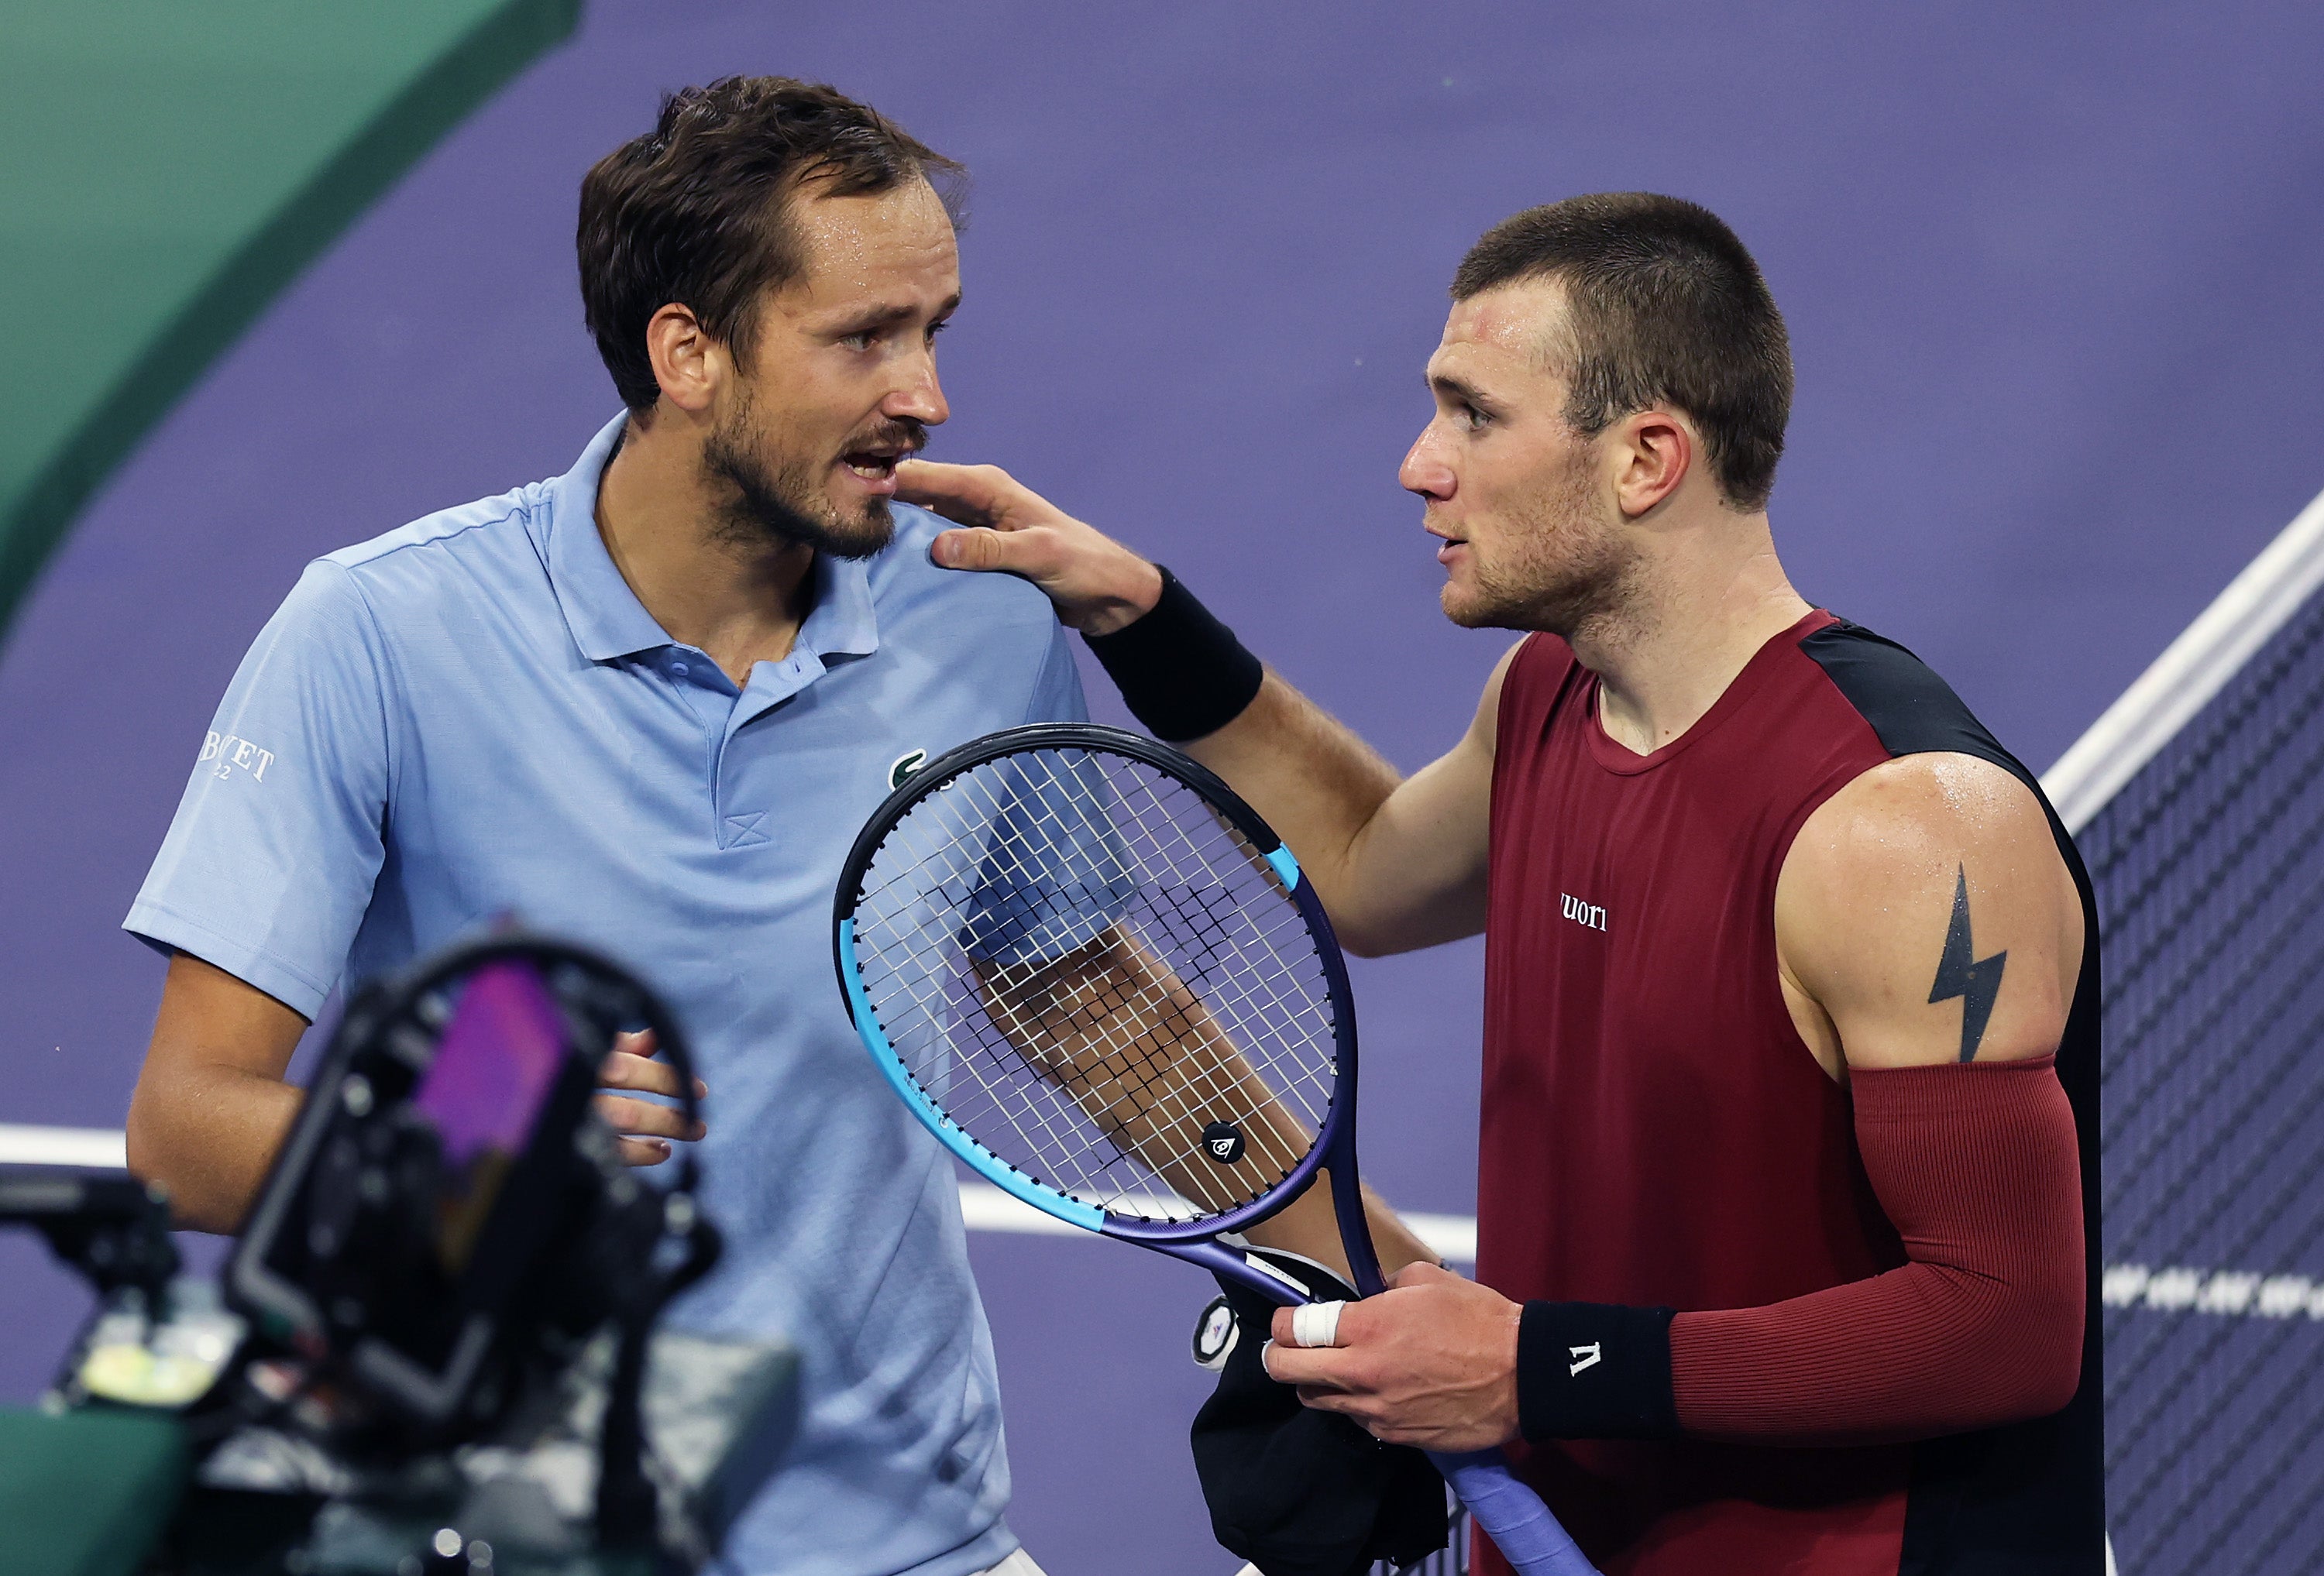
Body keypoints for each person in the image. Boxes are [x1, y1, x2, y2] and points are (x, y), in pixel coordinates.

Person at [899, 193, 2102, 1574]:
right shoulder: (1546, 703)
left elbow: (2007, 1320)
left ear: (1649, 458)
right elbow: (1355, 869)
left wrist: (1542, 1367)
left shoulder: (1903, 833)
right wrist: (1146, 618)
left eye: (1475, 416)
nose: (1421, 465)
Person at [129, 76, 1084, 1576]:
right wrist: (476, 1153)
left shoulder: (981, 617)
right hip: (511, 1535)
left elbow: (1098, 1009)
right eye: (863, 340)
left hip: (905, 1544)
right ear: (688, 353)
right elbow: (184, 1135)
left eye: (932, 329)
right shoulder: (379, 631)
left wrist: (1382, 1283)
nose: (928, 394)